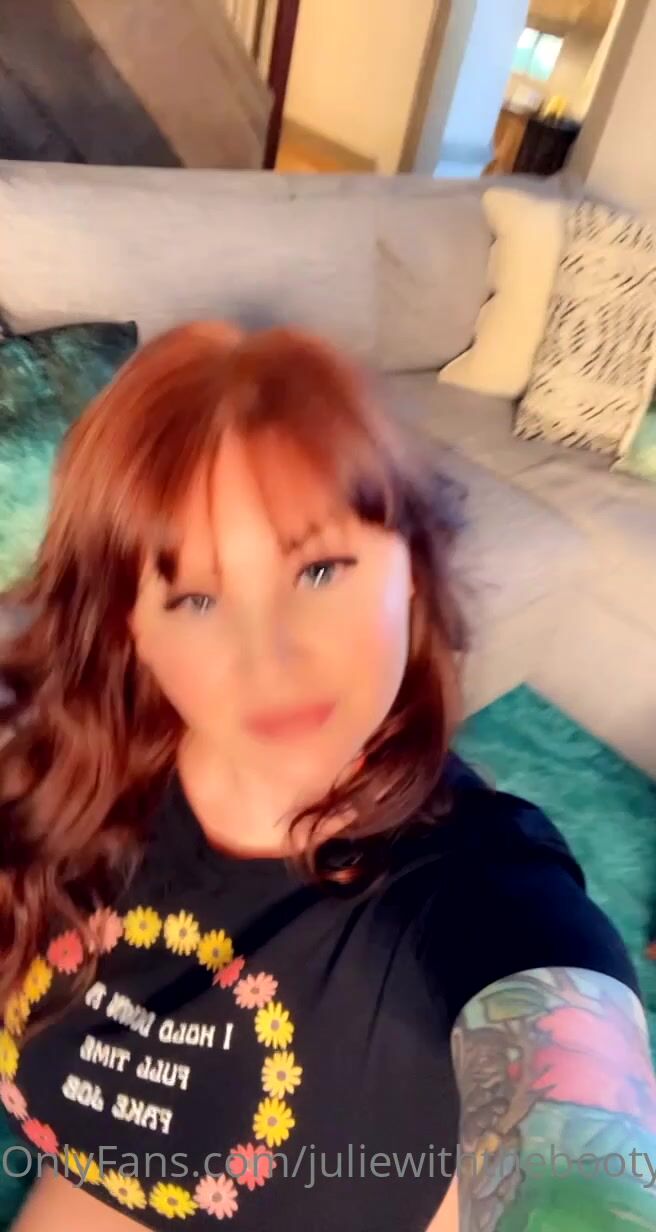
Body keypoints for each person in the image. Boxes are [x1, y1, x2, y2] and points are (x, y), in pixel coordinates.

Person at [0, 321, 654, 1232]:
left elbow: (583, 1167)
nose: (269, 658)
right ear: (130, 628)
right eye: (197, 597)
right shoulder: (62, 783)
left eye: (318, 570)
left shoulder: (486, 903)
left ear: (411, 567)